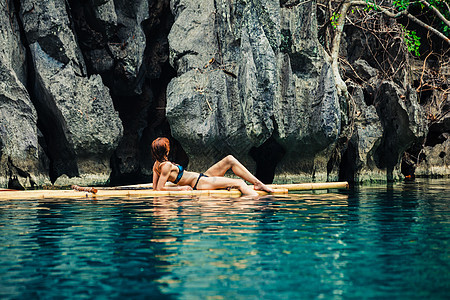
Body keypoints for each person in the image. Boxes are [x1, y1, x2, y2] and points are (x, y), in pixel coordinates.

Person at [151, 137, 274, 196]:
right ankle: (258, 203)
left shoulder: (156, 165)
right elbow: (159, 189)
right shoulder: (166, 166)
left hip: (202, 177)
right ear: (166, 150)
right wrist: (180, 189)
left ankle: (257, 183)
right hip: (199, 183)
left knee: (229, 159)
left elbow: (154, 187)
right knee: (240, 183)